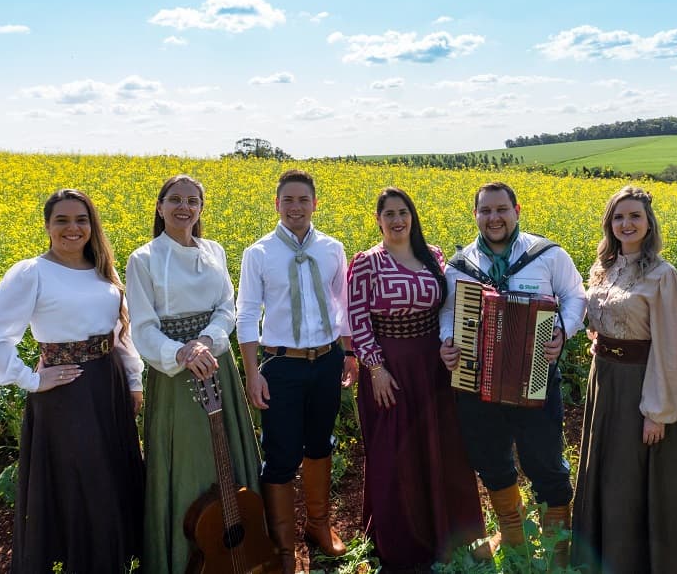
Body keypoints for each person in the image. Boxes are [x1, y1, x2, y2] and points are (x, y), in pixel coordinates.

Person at [0, 188, 144, 573]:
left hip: (109, 386)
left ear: (91, 225)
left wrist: (133, 381)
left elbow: (121, 330)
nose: (73, 228)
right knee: (85, 485)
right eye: (62, 220)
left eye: (81, 220)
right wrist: (29, 379)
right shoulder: (32, 272)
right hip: (66, 393)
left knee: (113, 480)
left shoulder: (103, 269)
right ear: (48, 226)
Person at [438, 181, 586, 567]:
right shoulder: (458, 267)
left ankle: (557, 547)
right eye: (485, 211)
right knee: (491, 460)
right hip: (475, 381)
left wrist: (563, 331)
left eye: (501, 209)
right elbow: (447, 314)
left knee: (546, 461)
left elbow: (576, 296)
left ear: (516, 210)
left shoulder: (548, 255)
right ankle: (515, 541)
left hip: (535, 378)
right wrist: (448, 341)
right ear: (475, 215)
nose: (494, 218)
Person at [126, 174, 262, 574]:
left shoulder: (215, 250)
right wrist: (180, 352)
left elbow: (226, 307)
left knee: (229, 454)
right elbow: (144, 326)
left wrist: (205, 341)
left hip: (215, 362)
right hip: (174, 374)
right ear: (160, 206)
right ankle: (184, 559)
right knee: (185, 457)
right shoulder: (144, 259)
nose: (184, 207)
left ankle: (241, 552)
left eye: (192, 200)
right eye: (175, 200)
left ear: (201, 208)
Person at [347, 187, 487, 571]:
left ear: (413, 216)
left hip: (435, 365)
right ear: (378, 219)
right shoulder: (366, 263)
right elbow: (357, 321)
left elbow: (449, 305)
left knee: (442, 448)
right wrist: (375, 368)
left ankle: (452, 535)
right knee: (395, 453)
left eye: (403, 212)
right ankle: (403, 545)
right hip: (390, 368)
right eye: (389, 213)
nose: (397, 220)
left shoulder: (434, 256)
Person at [569, 185, 677, 573]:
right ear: (609, 224)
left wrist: (658, 412)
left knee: (633, 478)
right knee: (606, 471)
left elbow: (669, 345)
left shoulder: (664, 275)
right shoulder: (603, 269)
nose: (626, 223)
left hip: (641, 385)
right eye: (618, 217)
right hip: (605, 381)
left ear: (649, 224)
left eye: (634, 216)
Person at [237, 169, 359, 574]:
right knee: (280, 453)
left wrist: (348, 353)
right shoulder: (259, 253)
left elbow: (341, 304)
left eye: (302, 200)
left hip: (325, 361)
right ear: (277, 204)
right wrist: (253, 373)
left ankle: (319, 528)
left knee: (320, 444)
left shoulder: (332, 248)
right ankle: (285, 547)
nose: (295, 207)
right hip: (281, 364)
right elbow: (248, 314)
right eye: (287, 200)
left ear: (314, 203)